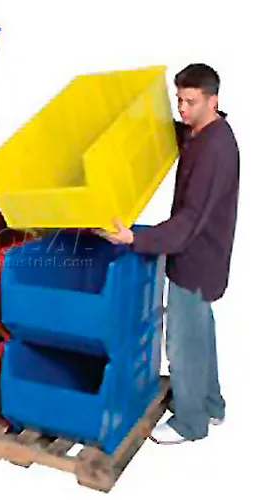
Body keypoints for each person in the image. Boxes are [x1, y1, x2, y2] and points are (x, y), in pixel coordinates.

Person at [94, 63, 240, 444]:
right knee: (200, 332)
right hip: (207, 255)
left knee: (182, 341)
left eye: (190, 102)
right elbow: (176, 133)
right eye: (179, 100)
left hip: (196, 259)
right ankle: (211, 404)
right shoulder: (202, 133)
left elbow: (188, 222)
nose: (182, 109)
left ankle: (190, 423)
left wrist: (133, 239)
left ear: (213, 101)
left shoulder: (214, 151)